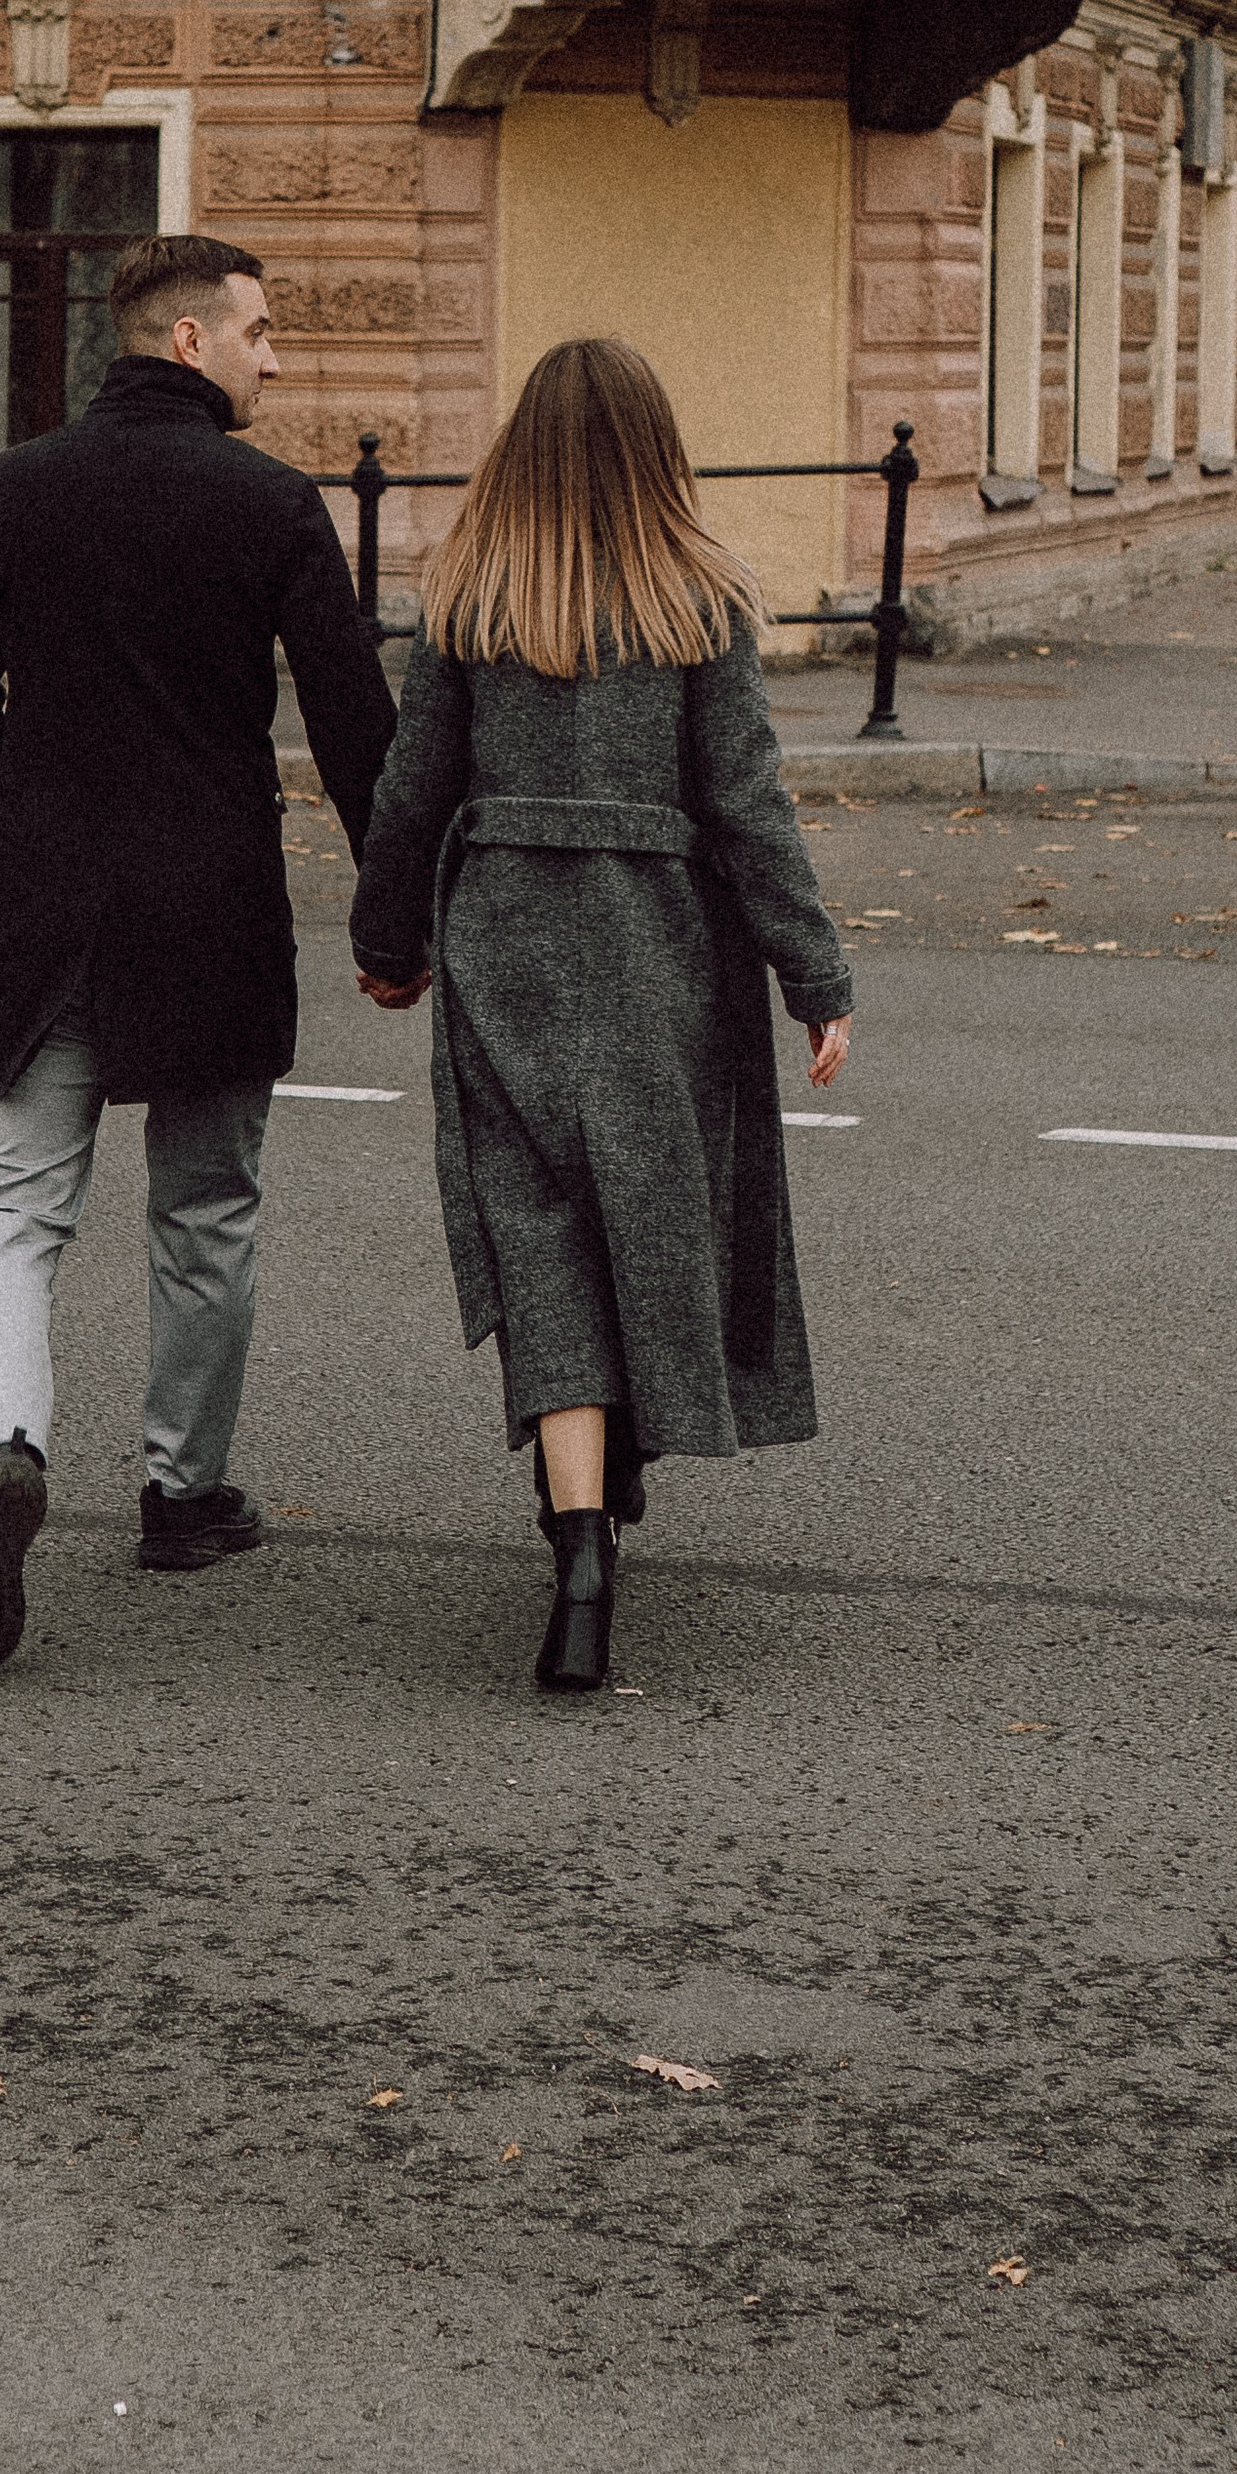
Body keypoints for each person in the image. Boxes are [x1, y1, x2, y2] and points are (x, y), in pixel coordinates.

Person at [0, 232, 395, 1675]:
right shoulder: (270, 502)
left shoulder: (15, 488)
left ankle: (6, 1448)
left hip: (48, 902)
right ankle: (184, 1496)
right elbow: (351, 720)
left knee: (10, 1208)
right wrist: (396, 913)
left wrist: (31, 809)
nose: (275, 359)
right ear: (190, 341)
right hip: (210, 902)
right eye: (260, 332)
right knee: (207, 1212)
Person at [347, 337, 852, 1697]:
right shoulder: (699, 597)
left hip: (505, 942)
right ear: (655, 450)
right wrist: (813, 975)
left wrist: (388, 946)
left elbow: (411, 789)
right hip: (657, 951)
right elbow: (747, 803)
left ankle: (579, 1553)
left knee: (543, 1239)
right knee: (650, 1207)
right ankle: (627, 1454)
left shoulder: (470, 594)